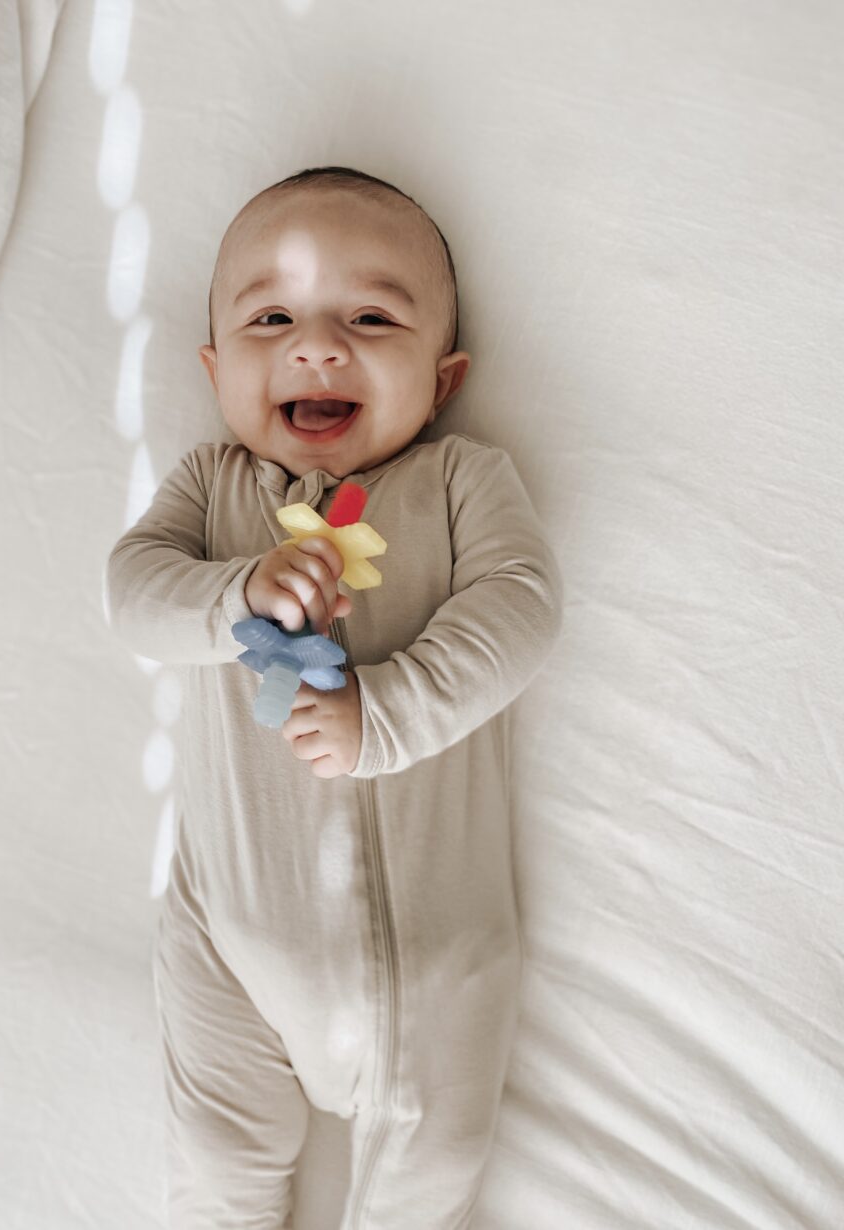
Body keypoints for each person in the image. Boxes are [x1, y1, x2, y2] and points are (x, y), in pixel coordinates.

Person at [104, 165, 564, 1229]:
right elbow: (132, 598)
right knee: (216, 1171)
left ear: (442, 379)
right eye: (272, 317)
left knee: (425, 1177)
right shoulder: (212, 489)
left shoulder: (459, 483)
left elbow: (522, 608)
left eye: (368, 316)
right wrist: (234, 592)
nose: (316, 346)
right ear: (216, 368)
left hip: (436, 958)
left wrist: (387, 713)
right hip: (225, 929)